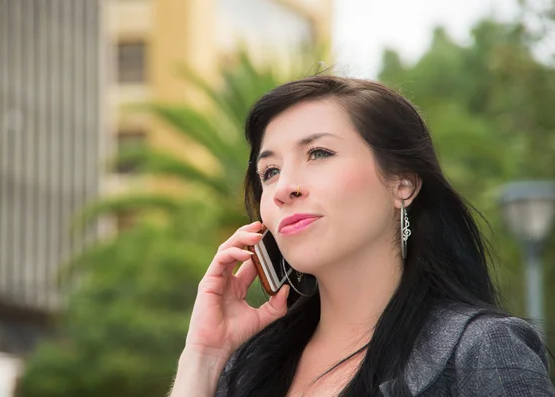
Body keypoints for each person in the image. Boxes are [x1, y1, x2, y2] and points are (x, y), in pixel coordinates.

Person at [168, 75, 555, 396]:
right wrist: (203, 357)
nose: (284, 187)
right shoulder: (243, 368)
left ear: (402, 183)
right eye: (269, 172)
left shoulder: (479, 351)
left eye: (318, 153)